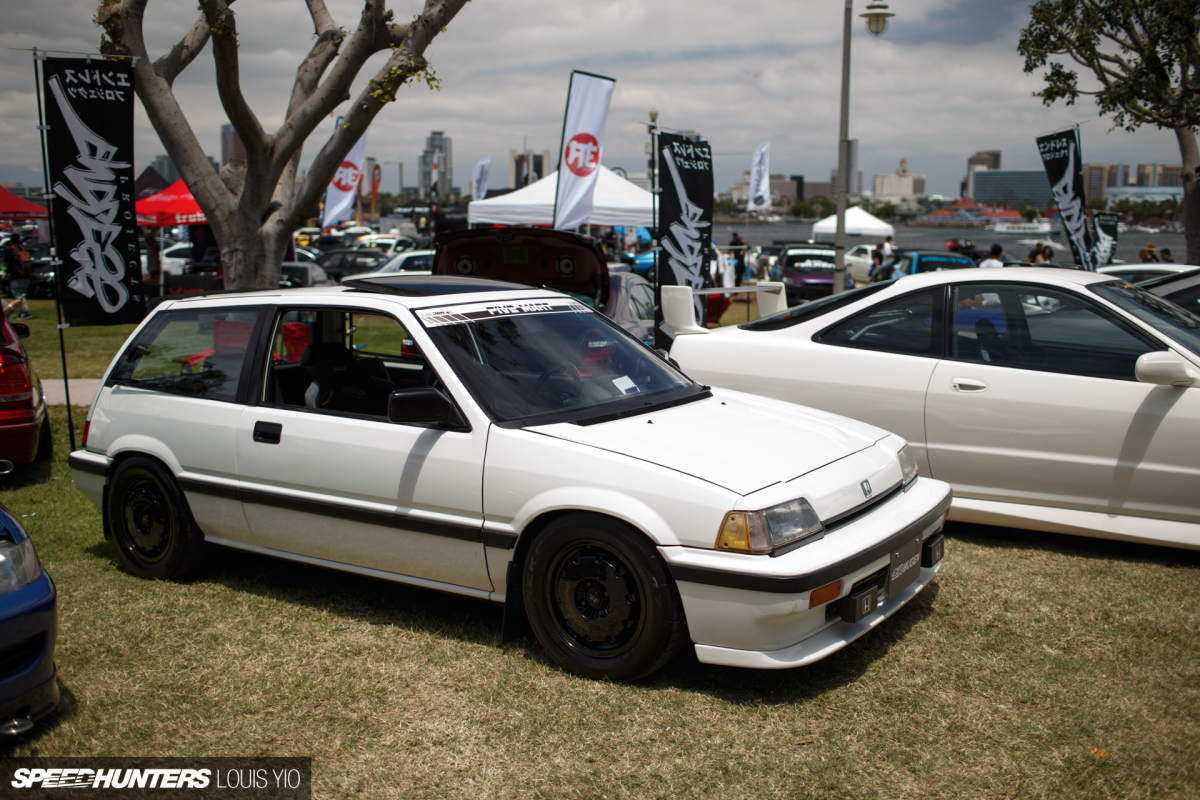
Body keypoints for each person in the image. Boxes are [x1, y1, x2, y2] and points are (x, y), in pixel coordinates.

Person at [3, 236, 33, 319]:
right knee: (22, 295)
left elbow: (6, 263)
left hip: (16, 275)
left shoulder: (9, 250)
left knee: (17, 294)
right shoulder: (23, 249)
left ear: (11, 241)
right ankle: (23, 312)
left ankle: (25, 312)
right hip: (26, 274)